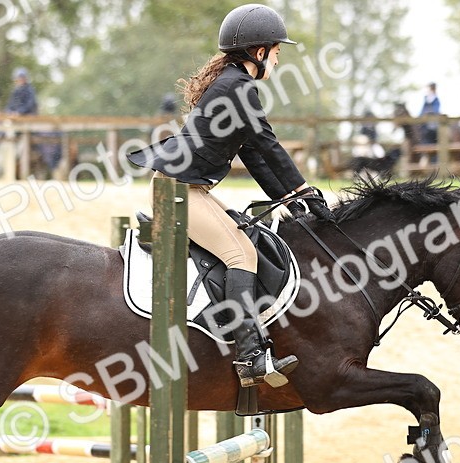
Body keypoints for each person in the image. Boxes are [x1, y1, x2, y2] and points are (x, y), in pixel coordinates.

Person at [127, 3, 333, 389]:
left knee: (241, 234)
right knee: (242, 254)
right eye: (276, 51)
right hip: (179, 190)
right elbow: (268, 145)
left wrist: (291, 196)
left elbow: (253, 153)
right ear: (259, 53)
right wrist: (303, 189)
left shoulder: (232, 84)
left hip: (185, 187)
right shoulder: (239, 88)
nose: (277, 59)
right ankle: (250, 356)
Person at [6, 67, 60, 176]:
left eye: (21, 77)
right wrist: (9, 112)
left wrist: (19, 112)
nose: (20, 80)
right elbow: (9, 106)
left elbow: (30, 105)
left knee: (39, 137)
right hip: (17, 123)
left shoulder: (29, 90)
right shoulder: (16, 91)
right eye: (18, 78)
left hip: (28, 121)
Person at [418, 82, 440, 147]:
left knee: (433, 128)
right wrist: (420, 116)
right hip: (425, 118)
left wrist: (430, 113)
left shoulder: (436, 99)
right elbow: (423, 109)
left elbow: (436, 109)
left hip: (433, 119)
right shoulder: (426, 98)